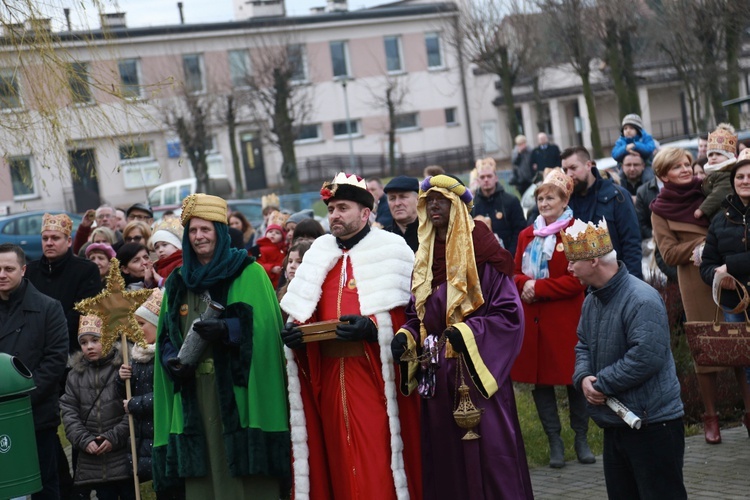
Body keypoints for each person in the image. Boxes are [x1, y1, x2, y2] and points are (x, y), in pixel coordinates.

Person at [280, 172, 421, 500]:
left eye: (342, 208)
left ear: (366, 212)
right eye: (330, 210)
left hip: (373, 380)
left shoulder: (392, 250)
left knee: (377, 459)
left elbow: (412, 317)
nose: (334, 216)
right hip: (327, 379)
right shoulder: (318, 253)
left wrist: (376, 331)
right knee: (337, 461)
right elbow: (304, 312)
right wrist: (295, 336)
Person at [391, 174, 531, 499]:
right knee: (445, 461)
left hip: (478, 374)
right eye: (429, 201)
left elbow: (509, 313)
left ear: (457, 205)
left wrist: (467, 333)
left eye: (442, 199)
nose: (434, 205)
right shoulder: (424, 258)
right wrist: (407, 336)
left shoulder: (482, 249)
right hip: (439, 378)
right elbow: (419, 314)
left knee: (492, 458)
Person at [152, 193, 290, 499]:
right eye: (192, 230)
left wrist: (227, 328)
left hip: (239, 397)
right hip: (193, 396)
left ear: (220, 231)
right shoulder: (177, 281)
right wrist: (171, 356)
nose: (199, 236)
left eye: (206, 229)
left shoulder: (249, 272)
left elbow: (266, 332)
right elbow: (165, 334)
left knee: (244, 485)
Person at [566, 219, 687, 500]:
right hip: (618, 422)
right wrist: (583, 378)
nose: (569, 268)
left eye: (573, 261)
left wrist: (602, 383)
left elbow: (647, 356)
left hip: (654, 424)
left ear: (594, 260)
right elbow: (583, 344)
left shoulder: (641, 299)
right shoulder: (592, 299)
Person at [651, 147, 750, 444]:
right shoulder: (659, 208)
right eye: (676, 166)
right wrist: (700, 247)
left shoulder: (710, 190)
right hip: (696, 281)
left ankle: (748, 412)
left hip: (731, 276)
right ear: (662, 175)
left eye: (687, 164)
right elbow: (667, 252)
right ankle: (711, 416)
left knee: (740, 347)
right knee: (707, 349)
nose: (685, 170)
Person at [510, 168, 592, 468]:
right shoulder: (526, 234)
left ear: (564, 200)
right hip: (534, 321)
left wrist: (538, 287)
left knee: (574, 379)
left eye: (550, 198)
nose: (544, 203)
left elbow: (579, 281)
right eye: (540, 198)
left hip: (565, 319)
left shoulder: (576, 232)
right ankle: (554, 441)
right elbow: (515, 272)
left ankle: (581, 439)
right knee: (541, 383)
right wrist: (523, 285)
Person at [0, 243, 68, 500]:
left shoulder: (48, 308)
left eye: (9, 268)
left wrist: (21, 400)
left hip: (36, 414)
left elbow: (55, 361)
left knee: (43, 484)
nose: (2, 274)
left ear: (23, 270)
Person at [699, 147, 750, 437]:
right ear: (733, 181)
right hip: (736, 307)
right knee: (746, 368)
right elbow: (707, 267)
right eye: (740, 176)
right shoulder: (720, 220)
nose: (745, 180)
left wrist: (730, 265)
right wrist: (719, 279)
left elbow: (722, 263)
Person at [117, 289, 185, 500]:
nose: (136, 330)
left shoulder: (167, 356)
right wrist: (122, 378)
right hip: (144, 436)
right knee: (159, 486)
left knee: (174, 485)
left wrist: (134, 404)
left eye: (141, 324)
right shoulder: (136, 354)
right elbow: (126, 391)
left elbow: (164, 396)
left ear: (158, 325)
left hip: (164, 431)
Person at [61, 315, 134, 500]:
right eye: (84, 342)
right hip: (93, 458)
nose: (89, 346)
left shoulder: (123, 369)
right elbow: (69, 412)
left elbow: (132, 408)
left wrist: (114, 436)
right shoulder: (75, 376)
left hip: (122, 455)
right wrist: (84, 440)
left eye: (95, 340)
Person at [561, 146, 643, 279]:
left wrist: (632, 285)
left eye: (573, 168)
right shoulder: (565, 202)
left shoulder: (617, 196)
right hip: (579, 286)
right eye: (565, 170)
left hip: (615, 281)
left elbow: (631, 244)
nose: (569, 174)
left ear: (588, 165)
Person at [26, 213, 103, 353]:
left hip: (72, 347)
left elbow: (84, 309)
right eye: (45, 238)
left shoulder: (86, 269)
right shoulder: (30, 270)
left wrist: (52, 332)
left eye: (55, 238)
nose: (49, 242)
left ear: (68, 241)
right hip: (35, 346)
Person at [471, 157, 526, 256]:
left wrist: (510, 256)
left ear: (496, 178)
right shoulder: (472, 205)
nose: (486, 180)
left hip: (510, 256)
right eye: (482, 177)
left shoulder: (511, 201)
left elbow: (519, 230)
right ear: (478, 180)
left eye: (489, 176)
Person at [694, 123, 738, 221]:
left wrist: (702, 209)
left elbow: (718, 194)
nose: (713, 157)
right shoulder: (713, 173)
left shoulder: (727, 174)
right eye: (710, 155)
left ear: (729, 157)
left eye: (718, 154)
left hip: (725, 217)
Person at [384, 175, 419, 252]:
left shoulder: (432, 235)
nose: (397, 203)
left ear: (418, 200)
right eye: (392, 198)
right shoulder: (382, 239)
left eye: (403, 197)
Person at [149, 218, 184, 288]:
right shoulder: (157, 266)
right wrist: (148, 280)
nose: (160, 250)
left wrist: (161, 280)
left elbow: (180, 287)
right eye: (157, 247)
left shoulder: (182, 264)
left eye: (164, 245)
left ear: (177, 246)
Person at [255, 224, 287, 288]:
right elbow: (258, 264)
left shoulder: (284, 249)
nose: (273, 234)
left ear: (282, 237)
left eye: (277, 233)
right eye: (270, 232)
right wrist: (271, 268)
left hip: (280, 283)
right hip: (268, 283)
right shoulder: (262, 249)